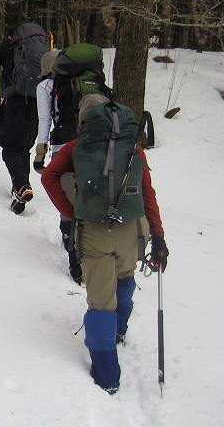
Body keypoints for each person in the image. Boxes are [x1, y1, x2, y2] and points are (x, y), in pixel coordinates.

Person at [41, 94, 170, 394]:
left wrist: (72, 213)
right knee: (125, 278)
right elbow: (147, 193)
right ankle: (118, 331)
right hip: (134, 229)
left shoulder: (77, 147)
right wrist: (159, 236)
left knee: (100, 302)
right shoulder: (133, 144)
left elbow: (49, 177)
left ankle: (108, 376)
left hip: (95, 232)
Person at [0, 23, 46, 214]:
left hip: (14, 102)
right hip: (37, 102)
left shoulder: (8, 47)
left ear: (10, 35)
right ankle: (21, 187)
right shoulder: (38, 50)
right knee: (23, 147)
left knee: (10, 148)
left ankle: (21, 186)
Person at [33, 49, 83, 284]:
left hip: (64, 144)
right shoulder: (83, 81)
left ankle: (71, 244)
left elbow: (45, 120)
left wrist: (40, 152)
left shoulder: (45, 87)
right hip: (91, 143)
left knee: (66, 194)